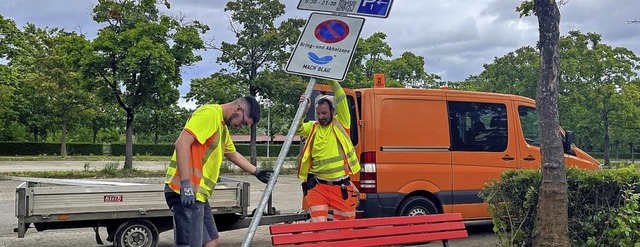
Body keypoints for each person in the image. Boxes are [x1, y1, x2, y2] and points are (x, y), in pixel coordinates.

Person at [164, 96, 272, 247]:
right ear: (239, 109)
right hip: (184, 191)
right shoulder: (209, 114)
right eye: (243, 122)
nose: (241, 126)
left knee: (211, 241)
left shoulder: (222, 128)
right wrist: (185, 183)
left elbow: (232, 154)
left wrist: (257, 172)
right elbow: (182, 143)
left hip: (198, 195)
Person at [297, 80, 361, 222]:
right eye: (318, 113)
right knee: (318, 229)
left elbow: (341, 98)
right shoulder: (313, 127)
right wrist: (303, 111)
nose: (321, 117)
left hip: (340, 187)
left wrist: (331, 78)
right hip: (317, 186)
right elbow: (298, 128)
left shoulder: (341, 124)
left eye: (324, 113)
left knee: (345, 231)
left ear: (333, 111)